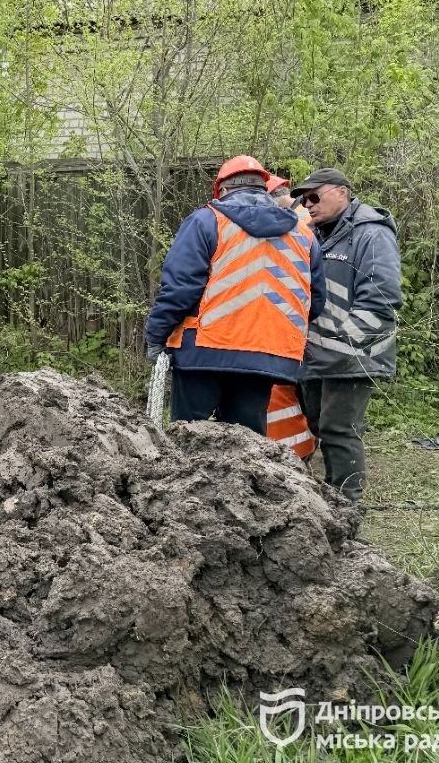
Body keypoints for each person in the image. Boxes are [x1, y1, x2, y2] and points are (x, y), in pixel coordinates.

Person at [145, 156, 325, 435]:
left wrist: (156, 336)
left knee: (187, 439)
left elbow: (180, 289)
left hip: (203, 352)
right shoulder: (304, 235)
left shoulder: (207, 221)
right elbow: (315, 302)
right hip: (266, 356)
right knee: (247, 443)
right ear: (264, 189)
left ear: (224, 190)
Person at [290, 168, 402, 503]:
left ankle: (346, 505)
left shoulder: (372, 233)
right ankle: (330, 499)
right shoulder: (314, 234)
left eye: (314, 196)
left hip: (353, 355)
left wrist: (345, 344)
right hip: (315, 355)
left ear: (342, 192)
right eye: (303, 200)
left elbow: (382, 298)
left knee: (339, 430)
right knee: (318, 426)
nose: (308, 204)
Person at [264, 175, 316, 461]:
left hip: (289, 327)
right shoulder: (307, 221)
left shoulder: (298, 225)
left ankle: (296, 451)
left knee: (282, 393)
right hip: (301, 324)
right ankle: (305, 446)